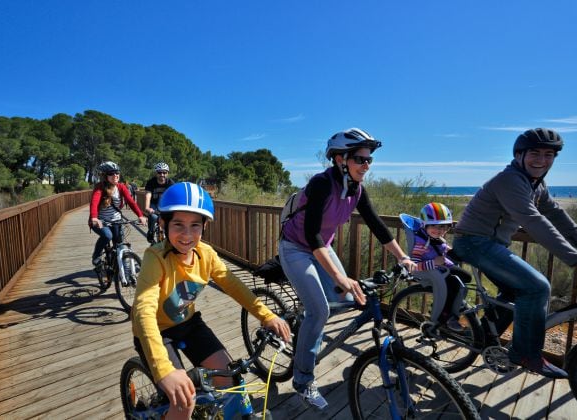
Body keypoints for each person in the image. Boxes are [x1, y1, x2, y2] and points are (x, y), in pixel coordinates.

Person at [279, 128, 417, 409]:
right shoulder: (321, 184)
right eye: (360, 159)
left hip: (320, 247)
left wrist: (403, 257)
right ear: (341, 160)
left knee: (348, 297)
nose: (366, 166)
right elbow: (312, 234)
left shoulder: (356, 191)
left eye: (369, 160)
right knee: (320, 310)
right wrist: (340, 276)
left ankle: (305, 321)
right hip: (296, 246)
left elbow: (377, 225)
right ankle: (302, 380)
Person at [131, 182, 291, 420]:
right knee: (184, 401)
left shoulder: (206, 254)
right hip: (157, 331)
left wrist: (267, 315)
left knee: (230, 377)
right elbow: (144, 310)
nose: (187, 235)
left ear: (204, 227)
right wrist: (164, 370)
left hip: (188, 324)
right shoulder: (155, 258)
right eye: (178, 225)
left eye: (195, 225)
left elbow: (233, 285)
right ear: (163, 224)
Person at [452, 128, 577, 379]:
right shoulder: (510, 180)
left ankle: (483, 335)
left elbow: (556, 213)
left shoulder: (536, 184)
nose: (541, 160)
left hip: (490, 245)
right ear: (519, 155)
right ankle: (526, 354)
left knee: (517, 291)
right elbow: (534, 221)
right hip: (473, 242)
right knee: (537, 287)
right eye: (534, 153)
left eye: (549, 155)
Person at [409, 202, 472, 332]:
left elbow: (442, 248)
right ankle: (446, 316)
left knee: (466, 277)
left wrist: (455, 252)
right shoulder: (421, 244)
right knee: (454, 284)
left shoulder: (435, 237)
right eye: (434, 226)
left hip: (443, 267)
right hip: (433, 270)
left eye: (444, 227)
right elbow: (414, 266)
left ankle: (455, 304)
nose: (440, 231)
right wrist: (435, 262)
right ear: (424, 225)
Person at [89, 161, 147, 283]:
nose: (115, 175)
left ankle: (119, 268)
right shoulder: (100, 187)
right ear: (105, 176)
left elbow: (131, 202)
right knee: (107, 235)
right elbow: (94, 202)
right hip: (100, 221)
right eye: (111, 173)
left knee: (119, 245)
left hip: (116, 221)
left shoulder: (121, 187)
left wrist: (140, 215)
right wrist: (94, 217)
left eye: (117, 173)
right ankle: (96, 256)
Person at [144, 162, 175, 243]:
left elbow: (174, 195)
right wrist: (147, 207)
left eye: (164, 172)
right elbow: (148, 194)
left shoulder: (170, 182)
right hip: (154, 204)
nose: (162, 174)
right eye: (159, 172)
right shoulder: (151, 182)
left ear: (167, 173)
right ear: (156, 173)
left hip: (165, 205)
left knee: (170, 219)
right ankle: (150, 232)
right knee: (153, 217)